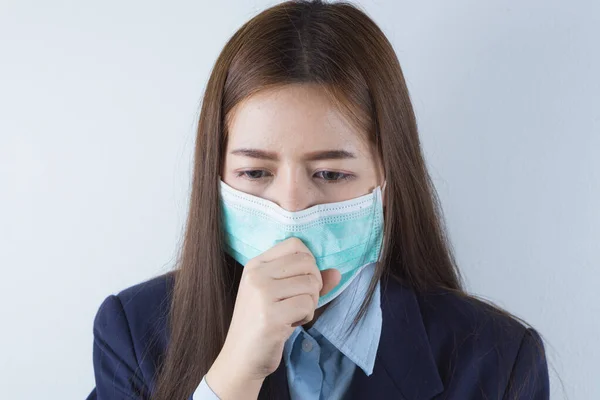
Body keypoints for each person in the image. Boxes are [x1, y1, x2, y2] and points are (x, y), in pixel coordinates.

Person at [86, 1, 549, 399]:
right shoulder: (133, 334)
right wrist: (233, 376)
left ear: (387, 177)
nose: (292, 208)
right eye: (255, 172)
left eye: (330, 173)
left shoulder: (499, 360)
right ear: (217, 175)